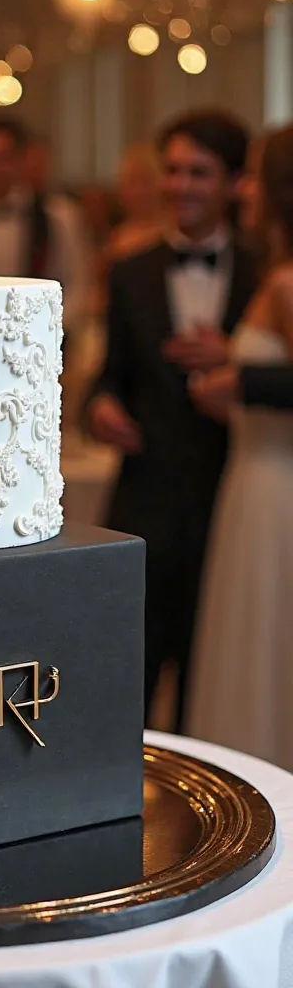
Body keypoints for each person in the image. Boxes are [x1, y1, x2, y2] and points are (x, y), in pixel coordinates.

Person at [87, 110, 257, 731]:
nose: (181, 185)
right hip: (146, 503)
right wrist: (99, 408)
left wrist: (236, 359)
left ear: (237, 183)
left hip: (231, 504)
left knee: (212, 679)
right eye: (174, 170)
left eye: (200, 173)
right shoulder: (129, 272)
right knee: (127, 672)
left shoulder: (267, 271)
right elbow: (110, 375)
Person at [187, 126, 293, 768]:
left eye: (253, 174)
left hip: (275, 484)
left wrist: (239, 381)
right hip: (250, 477)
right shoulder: (275, 274)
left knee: (266, 642)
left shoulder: (286, 282)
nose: (244, 188)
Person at [0, 120, 96, 327]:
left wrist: (51, 327)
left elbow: (78, 282)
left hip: (38, 333)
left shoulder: (56, 214)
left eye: (5, 158)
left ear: (22, 159)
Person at [106, 144, 164, 264]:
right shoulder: (117, 234)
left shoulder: (172, 235)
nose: (137, 191)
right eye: (129, 182)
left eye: (145, 182)